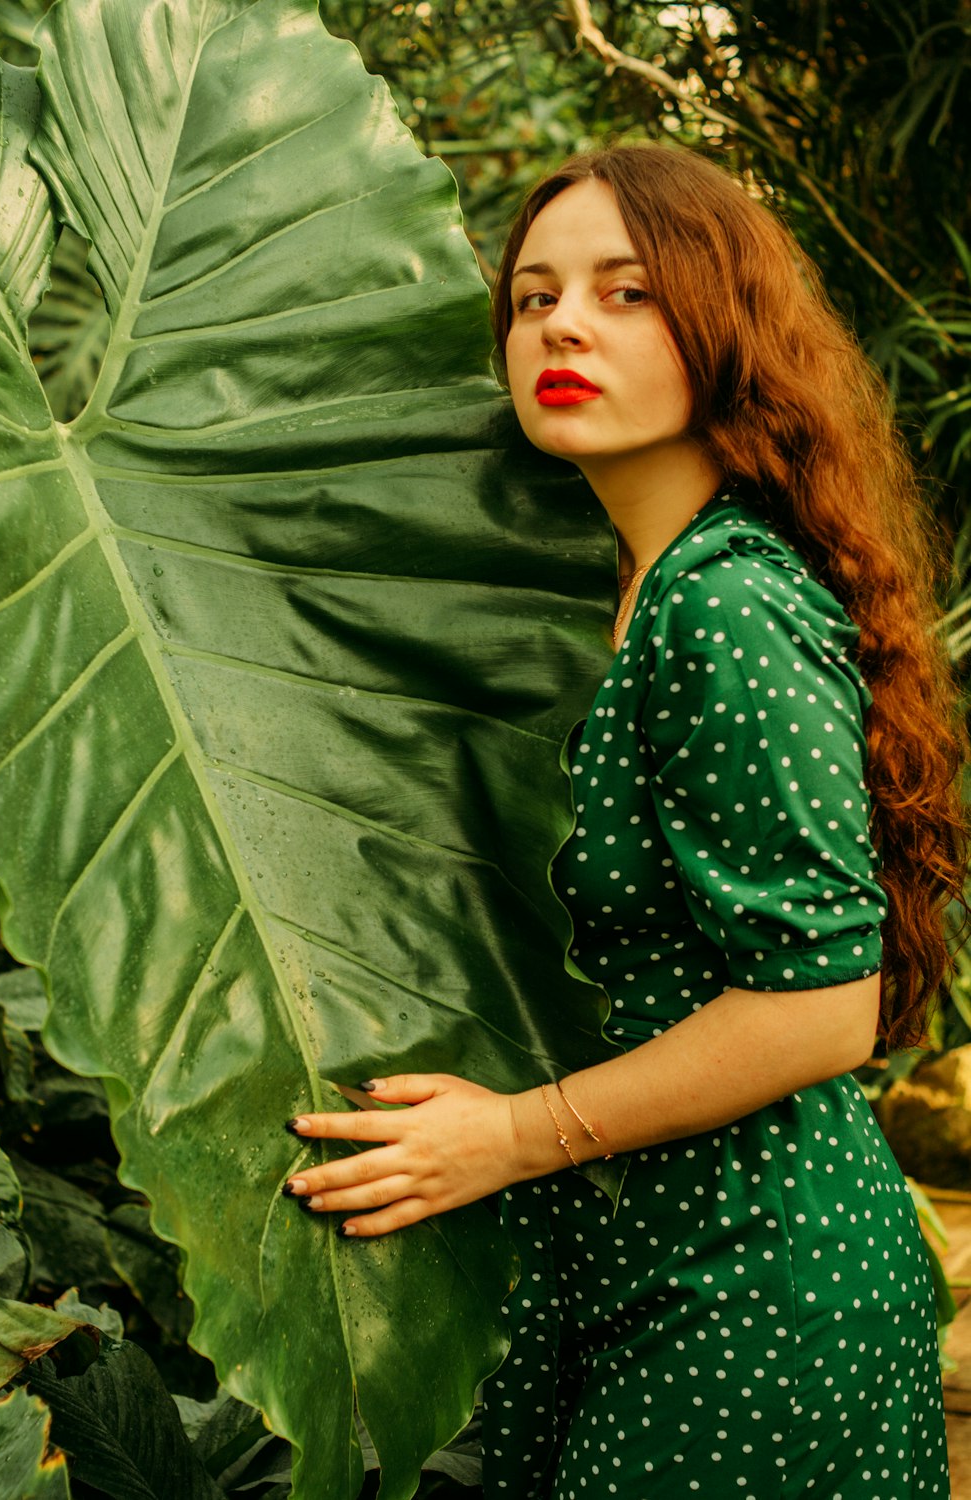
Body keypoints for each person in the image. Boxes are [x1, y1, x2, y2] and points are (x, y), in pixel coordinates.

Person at [282, 143, 967, 1497]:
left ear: (727, 327)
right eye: (533, 298)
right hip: (630, 1263)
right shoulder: (622, 594)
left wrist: (507, 1136)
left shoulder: (727, 607)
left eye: (626, 292)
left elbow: (824, 1005)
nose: (564, 326)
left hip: (757, 1292)